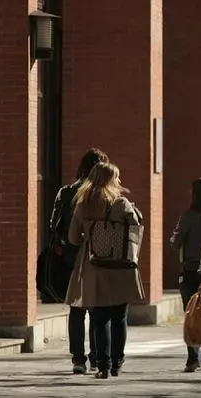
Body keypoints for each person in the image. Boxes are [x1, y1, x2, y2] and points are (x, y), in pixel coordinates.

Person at [65, 162, 147, 379]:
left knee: (100, 317)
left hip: (95, 266)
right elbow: (136, 231)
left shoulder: (83, 204)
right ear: (111, 180)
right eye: (116, 178)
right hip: (121, 268)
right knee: (119, 316)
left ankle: (102, 365)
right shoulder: (122, 203)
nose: (119, 182)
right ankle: (117, 362)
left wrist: (92, 238)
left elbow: (73, 237)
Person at [49, 148, 106, 374]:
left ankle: (78, 359)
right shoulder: (104, 195)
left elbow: (53, 225)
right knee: (96, 309)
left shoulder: (66, 192)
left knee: (76, 308)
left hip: (71, 256)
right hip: (98, 256)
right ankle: (95, 356)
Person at [170, 177, 201, 372]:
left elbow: (175, 244)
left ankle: (193, 359)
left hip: (190, 271)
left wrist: (175, 237)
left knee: (191, 314)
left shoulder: (188, 216)